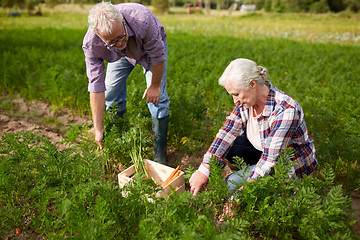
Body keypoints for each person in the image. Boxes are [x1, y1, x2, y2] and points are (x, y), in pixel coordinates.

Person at [189, 58, 317, 195]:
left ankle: (281, 190)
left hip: (287, 164)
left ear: (252, 84)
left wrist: (242, 194)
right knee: (231, 146)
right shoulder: (245, 102)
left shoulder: (285, 110)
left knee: (231, 184)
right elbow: (227, 131)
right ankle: (254, 173)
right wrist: (203, 169)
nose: (235, 100)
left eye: (236, 94)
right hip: (263, 151)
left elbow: (270, 160)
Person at [82, 2, 170, 164]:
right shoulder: (91, 44)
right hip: (118, 57)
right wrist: (98, 129)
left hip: (147, 49)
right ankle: (123, 135)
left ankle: (160, 154)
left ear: (123, 21)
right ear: (99, 36)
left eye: (121, 37)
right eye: (112, 41)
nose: (119, 43)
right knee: (110, 93)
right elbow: (96, 87)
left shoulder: (142, 19)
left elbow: (158, 57)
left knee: (158, 99)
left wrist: (155, 86)